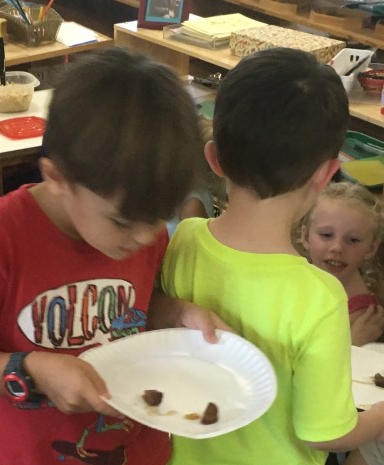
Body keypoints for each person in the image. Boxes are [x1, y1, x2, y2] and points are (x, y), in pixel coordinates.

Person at [0, 47, 226, 465]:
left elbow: (130, 311)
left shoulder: (138, 227)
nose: (147, 236)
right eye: (122, 221)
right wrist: (34, 370)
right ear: (57, 177)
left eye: (158, 218)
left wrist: (177, 313)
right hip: (25, 455)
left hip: (132, 449)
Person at [160, 47, 384, 465]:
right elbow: (325, 433)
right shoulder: (320, 296)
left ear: (215, 159)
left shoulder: (183, 241)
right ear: (327, 174)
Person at [301, 181, 384, 347]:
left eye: (353, 240)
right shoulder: (294, 275)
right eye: (326, 235)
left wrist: (353, 345)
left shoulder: (362, 317)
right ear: (305, 236)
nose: (337, 248)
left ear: (370, 249)